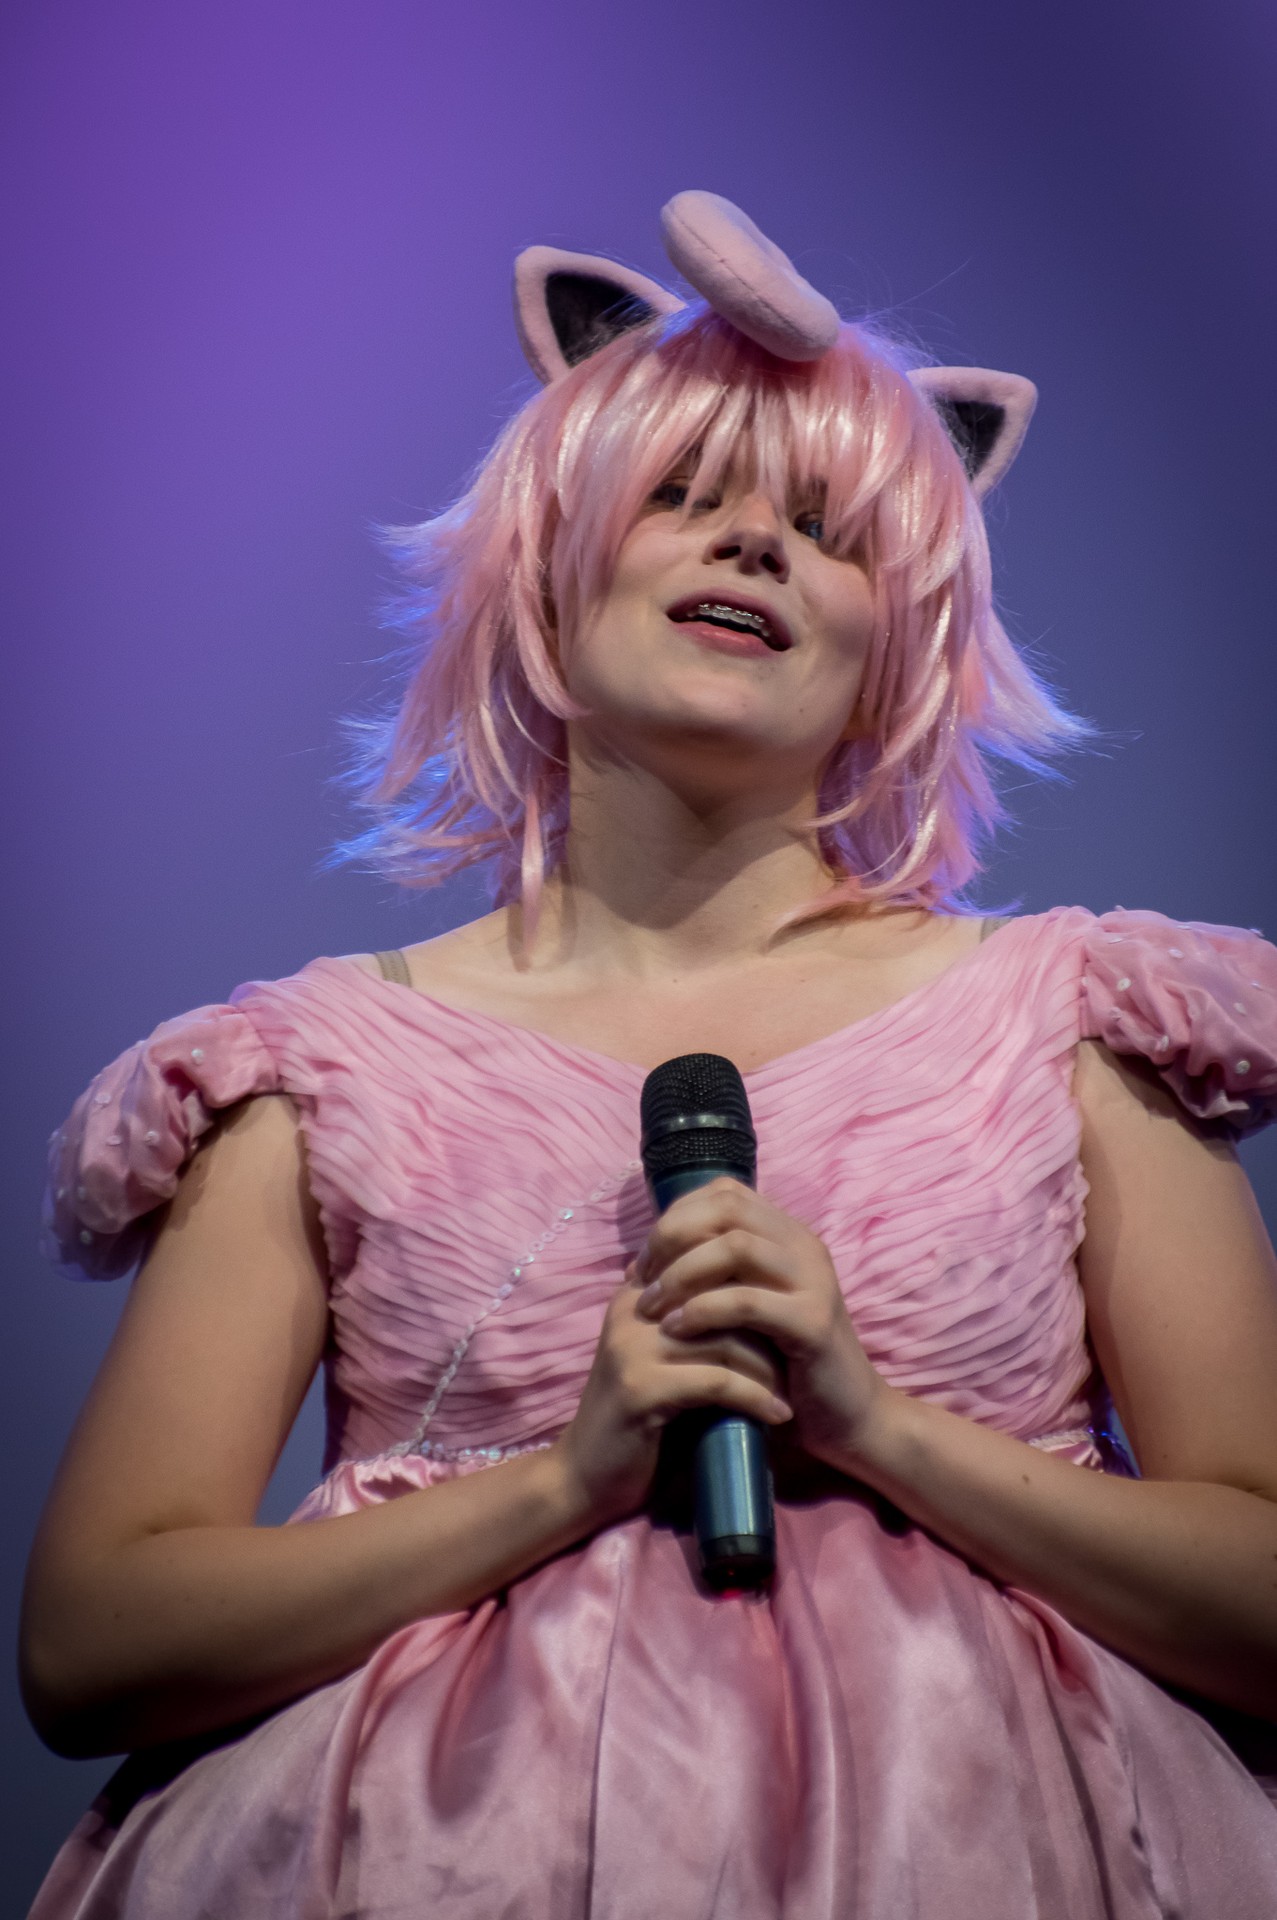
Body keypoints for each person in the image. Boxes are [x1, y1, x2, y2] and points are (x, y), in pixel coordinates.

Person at [21, 192, 1277, 1918]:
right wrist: (567, 1482)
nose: (751, 544)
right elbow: (91, 1641)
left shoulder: (1070, 1026)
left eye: (824, 529)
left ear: (897, 645)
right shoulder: (313, 1073)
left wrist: (873, 1427)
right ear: (547, 563)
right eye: (682, 494)